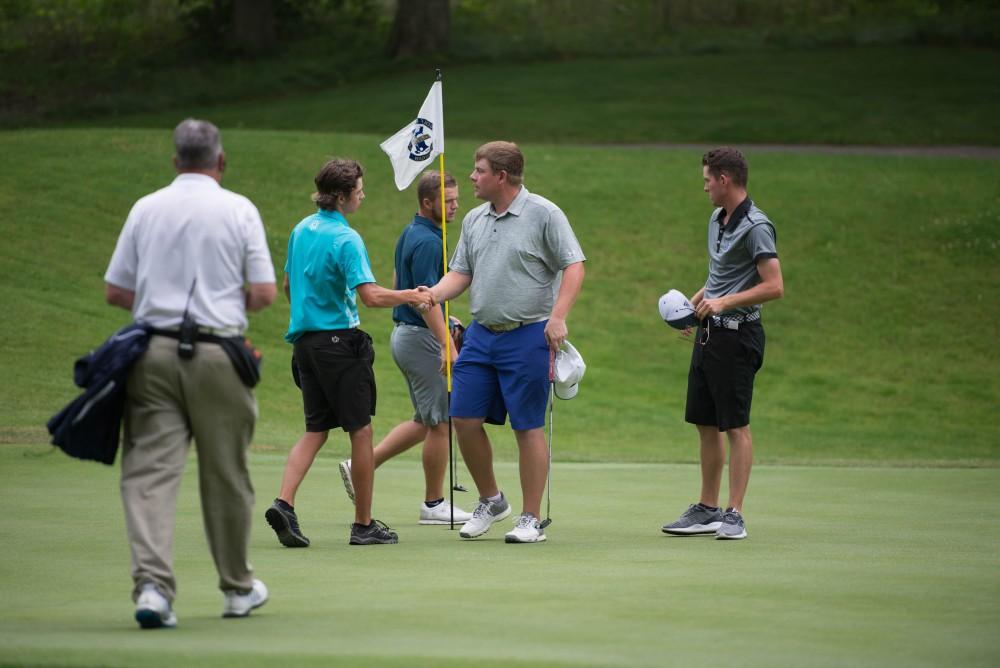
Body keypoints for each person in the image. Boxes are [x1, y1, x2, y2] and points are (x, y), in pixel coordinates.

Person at [104, 118, 277, 628]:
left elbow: (117, 291)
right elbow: (265, 293)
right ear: (220, 161)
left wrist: (160, 305)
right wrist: (223, 304)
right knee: (225, 472)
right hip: (219, 352)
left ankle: (154, 590)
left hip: (152, 354)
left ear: (176, 160)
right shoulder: (238, 208)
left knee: (149, 475)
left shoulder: (146, 207)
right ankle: (237, 589)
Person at [264, 158, 434, 548]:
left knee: (315, 430)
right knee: (361, 431)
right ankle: (363, 524)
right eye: (358, 189)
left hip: (305, 344)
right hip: (340, 343)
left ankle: (284, 502)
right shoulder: (346, 238)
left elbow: (290, 285)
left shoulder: (301, 229)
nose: (362, 194)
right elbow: (371, 296)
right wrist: (412, 295)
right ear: (341, 196)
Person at [428, 141, 586, 544]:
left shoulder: (545, 214)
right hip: (482, 335)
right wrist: (432, 293)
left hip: (530, 333)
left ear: (501, 176)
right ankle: (492, 500)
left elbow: (574, 265)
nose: (471, 177)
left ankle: (530, 518)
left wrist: (559, 316)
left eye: (478, 171)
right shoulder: (475, 219)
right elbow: (461, 272)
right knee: (462, 418)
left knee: (527, 426)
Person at [661, 147, 784, 541]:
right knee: (706, 422)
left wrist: (724, 303)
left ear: (725, 180)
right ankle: (708, 508)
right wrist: (693, 307)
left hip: (738, 336)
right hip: (710, 333)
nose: (706, 188)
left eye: (707, 181)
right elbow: (719, 275)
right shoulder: (717, 219)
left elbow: (774, 286)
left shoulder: (758, 226)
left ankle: (735, 513)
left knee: (736, 426)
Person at [338, 171, 473, 525]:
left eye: (457, 199)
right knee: (442, 421)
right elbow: (424, 301)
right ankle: (433, 504)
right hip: (420, 338)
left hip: (408, 334)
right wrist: (447, 343)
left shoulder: (414, 232)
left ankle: (362, 465)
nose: (456, 205)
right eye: (448, 201)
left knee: (425, 420)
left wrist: (446, 316)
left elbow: (405, 284)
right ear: (427, 203)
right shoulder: (430, 241)